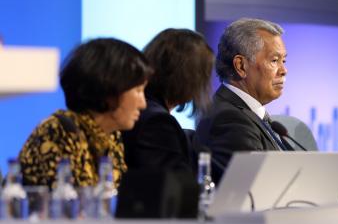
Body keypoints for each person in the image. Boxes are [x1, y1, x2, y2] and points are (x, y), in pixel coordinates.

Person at [19, 38, 152, 187]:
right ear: (109, 90)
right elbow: (59, 206)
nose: (143, 104)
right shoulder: (58, 132)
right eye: (138, 91)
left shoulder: (111, 136)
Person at [195, 18, 289, 179]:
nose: (284, 70)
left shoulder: (249, 115)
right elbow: (259, 186)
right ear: (241, 66)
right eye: (274, 60)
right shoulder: (229, 119)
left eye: (284, 60)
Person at [122, 28, 215, 175]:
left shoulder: (148, 113)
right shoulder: (157, 122)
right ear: (188, 77)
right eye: (203, 74)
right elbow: (171, 188)